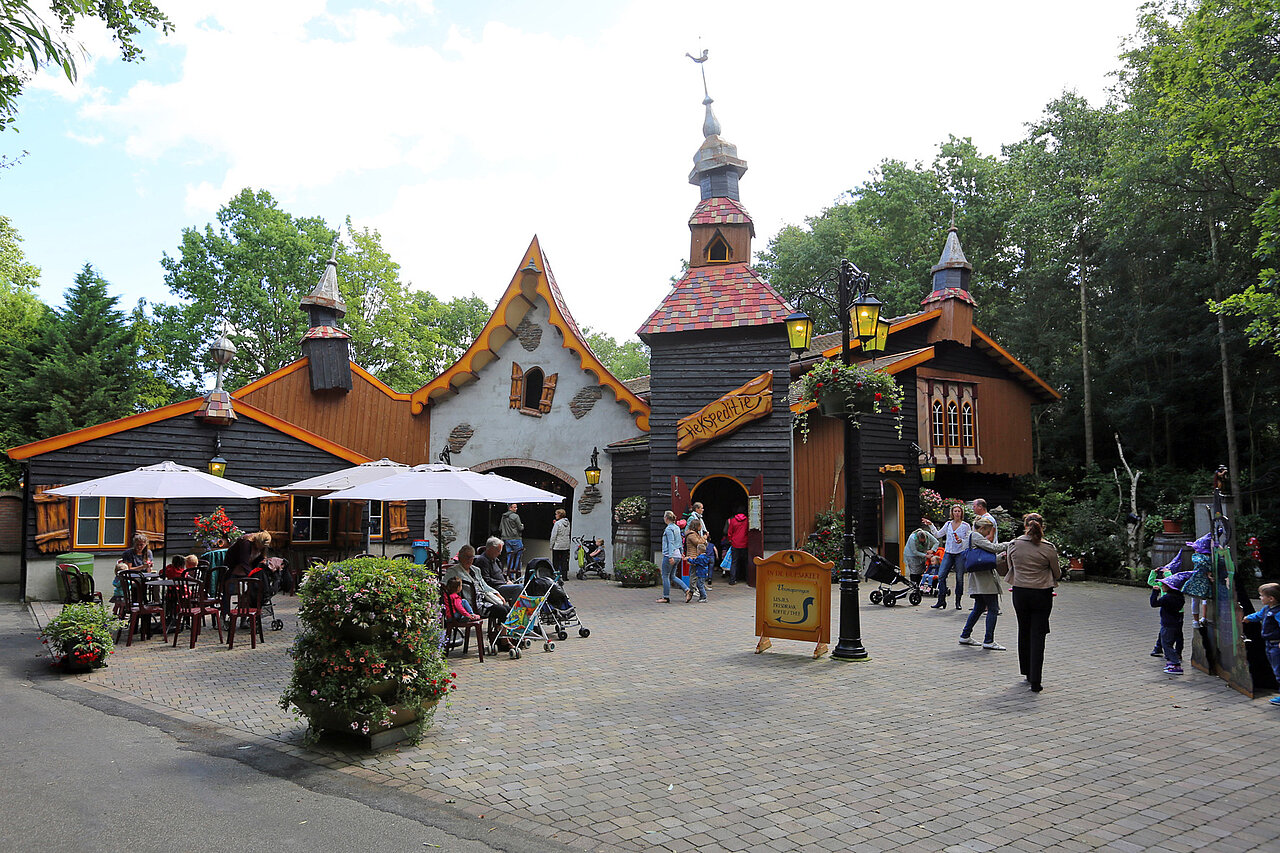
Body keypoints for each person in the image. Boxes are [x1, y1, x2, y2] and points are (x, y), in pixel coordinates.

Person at [1005, 512, 1061, 692]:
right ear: (1042, 526)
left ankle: (1027, 671)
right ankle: (1036, 679)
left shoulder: (1014, 545)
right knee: (1038, 634)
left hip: (1020, 592)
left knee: (1024, 630)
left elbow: (1010, 567)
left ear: (1025, 525)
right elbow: (1057, 572)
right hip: (1041, 593)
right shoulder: (1048, 547)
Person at [957, 517, 1009, 650]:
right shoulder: (976, 536)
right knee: (993, 608)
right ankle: (988, 640)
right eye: (987, 531)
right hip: (984, 579)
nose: (988, 534)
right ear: (981, 528)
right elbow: (993, 548)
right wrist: (1010, 544)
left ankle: (965, 635)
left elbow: (982, 558)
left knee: (979, 607)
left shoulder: (969, 537)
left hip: (977, 579)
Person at [447, 544, 511, 630]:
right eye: (466, 557)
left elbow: (484, 586)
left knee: (508, 609)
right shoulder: (453, 571)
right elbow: (443, 586)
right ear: (460, 558)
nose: (469, 560)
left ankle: (499, 632)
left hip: (484, 600)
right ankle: (500, 634)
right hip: (471, 605)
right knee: (502, 611)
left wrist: (498, 594)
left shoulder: (476, 570)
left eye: (471, 557)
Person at [1241, 582, 1280, 705]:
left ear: (1271, 598)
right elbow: (1258, 615)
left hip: (1276, 645)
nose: (1260, 598)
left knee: (1278, 671)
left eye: (1262, 596)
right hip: (1269, 644)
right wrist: (1248, 618)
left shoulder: (1277, 612)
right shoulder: (1267, 609)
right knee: (1275, 669)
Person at [933, 504, 972, 609]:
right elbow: (938, 534)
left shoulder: (965, 526)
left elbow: (969, 539)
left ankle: (958, 601)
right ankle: (941, 599)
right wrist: (931, 525)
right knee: (941, 576)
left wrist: (962, 541)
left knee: (959, 578)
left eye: (959, 511)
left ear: (961, 513)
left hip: (960, 553)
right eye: (955, 511)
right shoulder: (948, 524)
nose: (957, 513)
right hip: (948, 553)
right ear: (952, 513)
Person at [1151, 570, 1189, 675]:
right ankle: (1171, 662)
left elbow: (1154, 603)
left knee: (1166, 644)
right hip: (1176, 622)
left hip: (1167, 624)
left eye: (1164, 585)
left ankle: (1175, 663)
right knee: (1171, 642)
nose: (1162, 586)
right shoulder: (1179, 597)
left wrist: (1155, 592)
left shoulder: (1167, 598)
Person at [658, 510, 689, 603]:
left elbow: (671, 542)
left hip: (670, 554)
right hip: (677, 554)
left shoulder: (668, 529)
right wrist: (681, 552)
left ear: (666, 518)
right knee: (673, 576)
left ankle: (666, 597)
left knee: (665, 576)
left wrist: (670, 556)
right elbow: (679, 541)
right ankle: (687, 590)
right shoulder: (676, 528)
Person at [903, 519, 940, 585]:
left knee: (922, 570)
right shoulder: (912, 538)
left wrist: (932, 550)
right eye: (921, 540)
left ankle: (920, 584)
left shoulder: (927, 534)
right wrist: (926, 555)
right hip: (911, 554)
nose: (923, 541)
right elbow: (914, 551)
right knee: (914, 571)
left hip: (923, 553)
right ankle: (914, 584)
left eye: (924, 540)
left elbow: (936, 542)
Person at [684, 518, 710, 603]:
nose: (701, 527)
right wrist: (705, 537)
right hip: (693, 556)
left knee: (695, 575)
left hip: (696, 556)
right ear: (696, 526)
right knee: (693, 575)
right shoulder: (691, 535)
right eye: (700, 525)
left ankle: (695, 589)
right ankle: (692, 590)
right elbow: (698, 543)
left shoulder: (695, 534)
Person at [500, 503, 525, 579]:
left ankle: (510, 574)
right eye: (514, 507)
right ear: (510, 508)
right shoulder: (515, 516)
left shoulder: (503, 516)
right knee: (518, 556)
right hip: (516, 538)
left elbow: (500, 528)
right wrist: (522, 525)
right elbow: (520, 528)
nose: (516, 509)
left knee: (509, 556)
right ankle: (517, 573)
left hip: (506, 539)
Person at [726, 508, 749, 586]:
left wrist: (730, 540)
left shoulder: (733, 520)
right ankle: (748, 579)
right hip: (745, 543)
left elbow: (729, 532)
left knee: (734, 562)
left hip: (735, 543)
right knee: (746, 562)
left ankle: (732, 580)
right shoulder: (747, 520)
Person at [549, 508, 572, 583]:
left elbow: (554, 535)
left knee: (556, 561)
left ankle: (555, 575)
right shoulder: (568, 523)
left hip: (558, 545)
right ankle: (564, 576)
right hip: (566, 544)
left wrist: (551, 545)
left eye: (556, 514)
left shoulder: (557, 524)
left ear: (559, 515)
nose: (555, 515)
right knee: (564, 561)